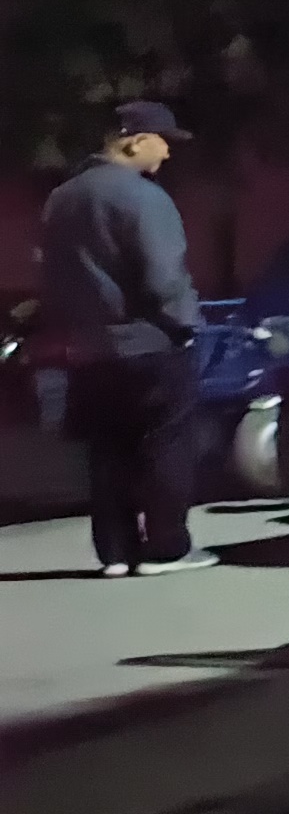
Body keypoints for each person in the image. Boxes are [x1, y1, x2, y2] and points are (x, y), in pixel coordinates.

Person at [40, 100, 213, 578]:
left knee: (107, 450)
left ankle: (115, 553)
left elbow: (53, 280)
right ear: (134, 141)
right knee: (166, 443)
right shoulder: (143, 197)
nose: (167, 153)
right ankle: (166, 549)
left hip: (88, 349)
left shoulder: (61, 200)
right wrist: (186, 326)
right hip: (150, 344)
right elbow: (164, 278)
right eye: (163, 141)